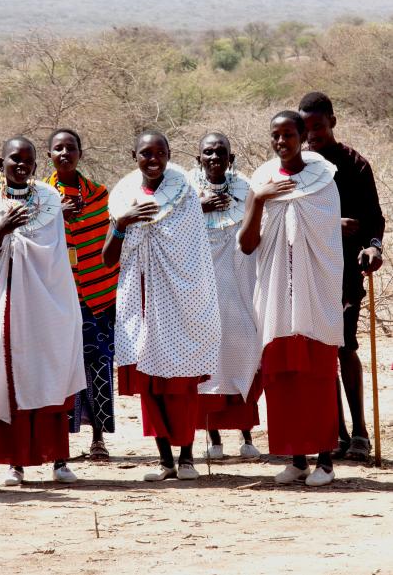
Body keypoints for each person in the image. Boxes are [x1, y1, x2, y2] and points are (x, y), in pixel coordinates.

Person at [103, 130, 221, 482]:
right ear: (133, 155)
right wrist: (123, 223)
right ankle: (164, 460)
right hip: (139, 299)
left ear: (170, 154)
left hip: (180, 297)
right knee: (150, 383)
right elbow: (109, 259)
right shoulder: (123, 197)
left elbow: (193, 251)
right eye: (144, 153)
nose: (152, 159)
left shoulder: (184, 193)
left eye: (159, 153)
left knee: (182, 380)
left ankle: (187, 458)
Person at [240, 111, 344, 487]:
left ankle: (326, 461)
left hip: (314, 292)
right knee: (281, 375)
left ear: (303, 136)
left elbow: (329, 239)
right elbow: (247, 244)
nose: (282, 141)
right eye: (275, 135)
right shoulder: (261, 180)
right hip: (275, 295)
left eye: (289, 134)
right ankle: (297, 459)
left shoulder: (323, 180)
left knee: (316, 375)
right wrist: (259, 199)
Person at [0, 136, 86, 486]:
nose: (21, 165)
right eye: (14, 159)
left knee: (51, 371)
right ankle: (15, 463)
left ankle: (59, 460)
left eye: (28, 160)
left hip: (50, 300)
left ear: (37, 165)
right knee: (11, 373)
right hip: (7, 298)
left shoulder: (49, 200)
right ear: (0, 163)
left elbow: (54, 255)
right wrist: (1, 233)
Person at [298, 92, 385, 461]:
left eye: (318, 126)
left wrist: (375, 248)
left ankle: (361, 433)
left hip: (348, 269)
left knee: (344, 347)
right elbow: (290, 215)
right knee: (320, 350)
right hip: (307, 268)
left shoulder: (355, 164)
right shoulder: (298, 165)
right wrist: (330, 224)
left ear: (332, 121)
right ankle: (336, 431)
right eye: (305, 128)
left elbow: (374, 218)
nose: (312, 134)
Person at [187, 132, 262, 460]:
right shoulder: (185, 189)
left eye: (221, 153)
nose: (214, 158)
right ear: (199, 157)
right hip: (201, 287)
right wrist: (198, 208)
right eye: (208, 153)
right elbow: (170, 230)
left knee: (242, 349)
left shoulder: (246, 187)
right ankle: (213, 439)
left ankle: (247, 436)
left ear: (231, 159)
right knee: (207, 357)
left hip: (239, 281)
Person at [45, 129, 119, 461]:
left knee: (99, 365)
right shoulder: (42, 198)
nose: (64, 153)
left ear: (80, 154)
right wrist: (55, 215)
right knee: (59, 367)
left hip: (97, 298)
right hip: (57, 299)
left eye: (70, 148)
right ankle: (58, 438)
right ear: (49, 156)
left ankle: (98, 439)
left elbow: (109, 242)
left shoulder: (100, 195)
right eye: (58, 148)